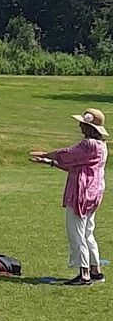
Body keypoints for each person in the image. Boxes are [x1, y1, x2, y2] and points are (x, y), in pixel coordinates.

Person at [30, 107, 107, 286]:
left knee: (77, 233)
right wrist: (50, 162)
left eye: (83, 124)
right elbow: (75, 165)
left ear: (90, 128)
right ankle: (95, 270)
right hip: (94, 192)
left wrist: (46, 154)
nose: (80, 126)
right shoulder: (101, 146)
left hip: (81, 192)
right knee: (88, 232)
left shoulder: (88, 145)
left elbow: (67, 154)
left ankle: (84, 273)